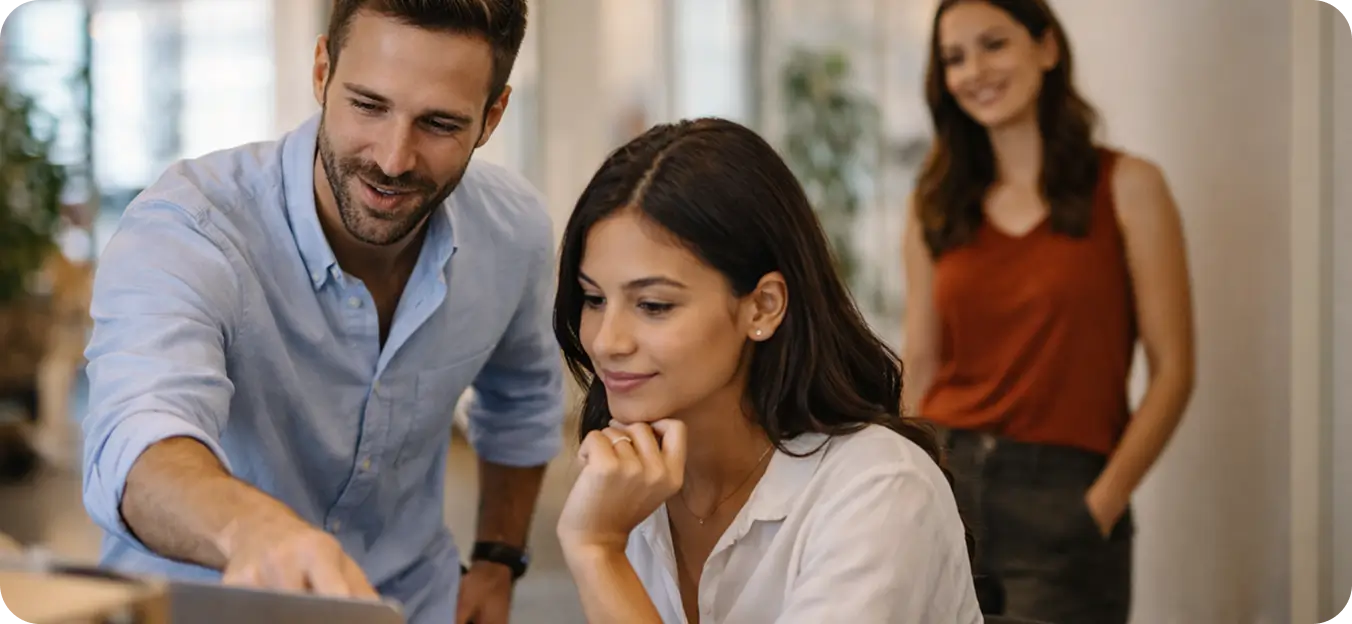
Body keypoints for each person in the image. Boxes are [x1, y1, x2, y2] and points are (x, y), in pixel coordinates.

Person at [80, 2, 563, 623]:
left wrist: (499, 559)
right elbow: (136, 441)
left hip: (410, 603)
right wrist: (250, 528)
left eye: (439, 124)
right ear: (321, 71)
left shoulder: (513, 230)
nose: (393, 159)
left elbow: (522, 398)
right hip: (202, 604)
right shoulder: (189, 229)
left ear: (492, 116)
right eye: (368, 105)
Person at [551, 117, 983, 624]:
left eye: (653, 305)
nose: (606, 341)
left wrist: (597, 551)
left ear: (763, 306)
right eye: (593, 298)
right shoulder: (631, 484)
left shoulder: (879, 488)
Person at [902, 1, 1196, 622]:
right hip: (948, 488)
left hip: (1066, 499)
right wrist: (906, 483)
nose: (974, 70)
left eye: (994, 44)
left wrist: (1103, 501)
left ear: (1047, 48)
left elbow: (1173, 370)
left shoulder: (1129, 186)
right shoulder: (934, 205)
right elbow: (922, 365)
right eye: (954, 58)